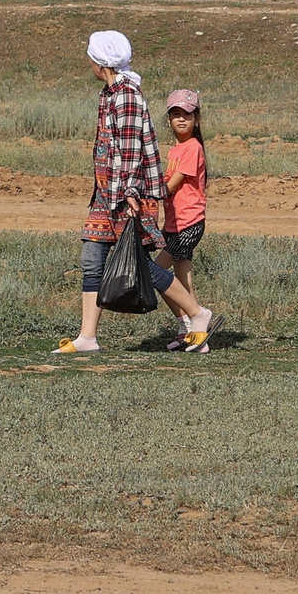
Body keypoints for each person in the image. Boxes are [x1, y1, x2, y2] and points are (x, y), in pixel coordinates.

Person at [59, 30, 214, 355]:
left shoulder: (126, 95)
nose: (88, 61)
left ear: (100, 60)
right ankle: (88, 337)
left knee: (142, 263)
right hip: (106, 193)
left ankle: (197, 314)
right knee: (92, 258)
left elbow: (131, 149)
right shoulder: (110, 92)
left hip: (127, 194)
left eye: (90, 55)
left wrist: (130, 194)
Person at [158, 88, 217, 350]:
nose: (181, 119)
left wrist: (146, 192)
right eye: (175, 114)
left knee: (156, 274)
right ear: (168, 119)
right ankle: (197, 337)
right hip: (174, 224)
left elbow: (170, 186)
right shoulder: (177, 149)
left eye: (187, 115)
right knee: (183, 283)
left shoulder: (192, 148)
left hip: (188, 223)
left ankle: (189, 321)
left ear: (197, 120)